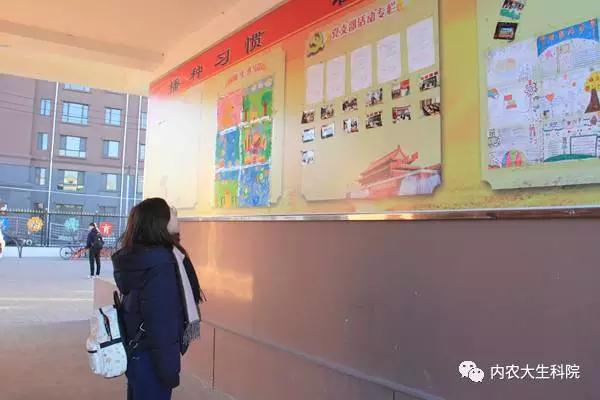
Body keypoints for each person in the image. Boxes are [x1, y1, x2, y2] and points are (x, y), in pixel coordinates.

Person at [112, 198, 202, 400]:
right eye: (171, 212)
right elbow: (162, 322)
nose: (176, 215)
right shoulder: (161, 263)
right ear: (159, 222)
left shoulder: (143, 257)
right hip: (152, 358)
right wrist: (168, 371)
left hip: (138, 352)